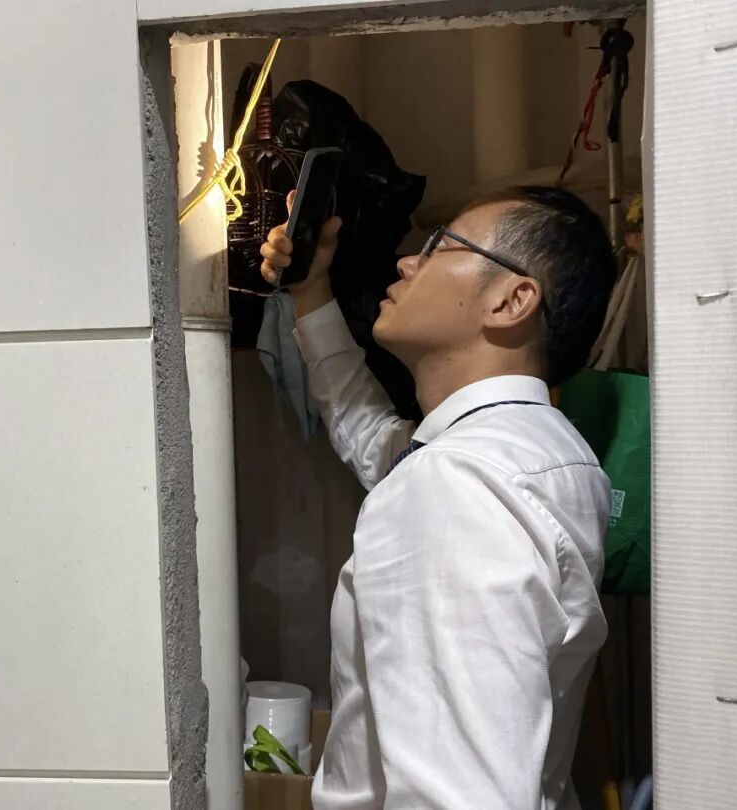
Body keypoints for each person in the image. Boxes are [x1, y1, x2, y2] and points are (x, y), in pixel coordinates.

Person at [260, 186, 617, 810]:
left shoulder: (455, 483)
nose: (407, 262)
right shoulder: (543, 452)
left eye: (439, 247)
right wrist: (311, 291)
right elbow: (374, 439)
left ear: (511, 300)